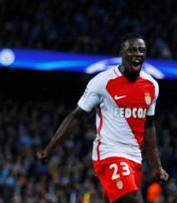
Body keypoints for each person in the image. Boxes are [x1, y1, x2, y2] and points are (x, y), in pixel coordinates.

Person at [37, 34, 169, 202]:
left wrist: (157, 166)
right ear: (122, 53)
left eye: (141, 50)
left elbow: (148, 127)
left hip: (134, 158)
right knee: (134, 200)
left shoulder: (152, 86)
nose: (137, 54)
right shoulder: (102, 82)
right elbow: (76, 116)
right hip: (109, 154)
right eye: (132, 50)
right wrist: (50, 148)